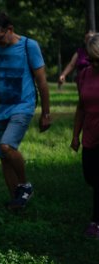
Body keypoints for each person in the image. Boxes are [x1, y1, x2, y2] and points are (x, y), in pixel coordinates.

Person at [0, 12, 51, 210]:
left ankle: (25, 185)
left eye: (1, 37)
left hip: (23, 105)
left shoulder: (28, 46)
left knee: (7, 146)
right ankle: (17, 201)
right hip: (1, 107)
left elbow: (41, 81)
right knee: (4, 158)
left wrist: (46, 112)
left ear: (10, 29)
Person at [71, 33, 99, 238]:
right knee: (90, 176)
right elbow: (81, 107)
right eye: (91, 59)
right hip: (90, 134)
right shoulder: (85, 75)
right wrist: (75, 135)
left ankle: (95, 222)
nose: (94, 63)